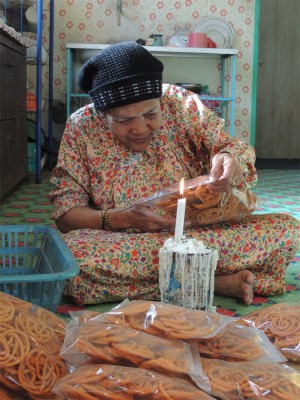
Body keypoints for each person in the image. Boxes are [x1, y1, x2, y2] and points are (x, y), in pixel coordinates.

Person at [49, 41, 299, 307]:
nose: (140, 128)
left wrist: (229, 159)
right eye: (123, 120)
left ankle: (177, 281)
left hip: (201, 238)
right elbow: (66, 215)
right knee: (71, 257)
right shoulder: (81, 127)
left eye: (150, 114)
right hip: (127, 244)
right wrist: (119, 219)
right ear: (102, 115)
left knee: (287, 229)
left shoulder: (181, 104)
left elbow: (230, 147)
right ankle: (212, 281)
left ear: (160, 102)